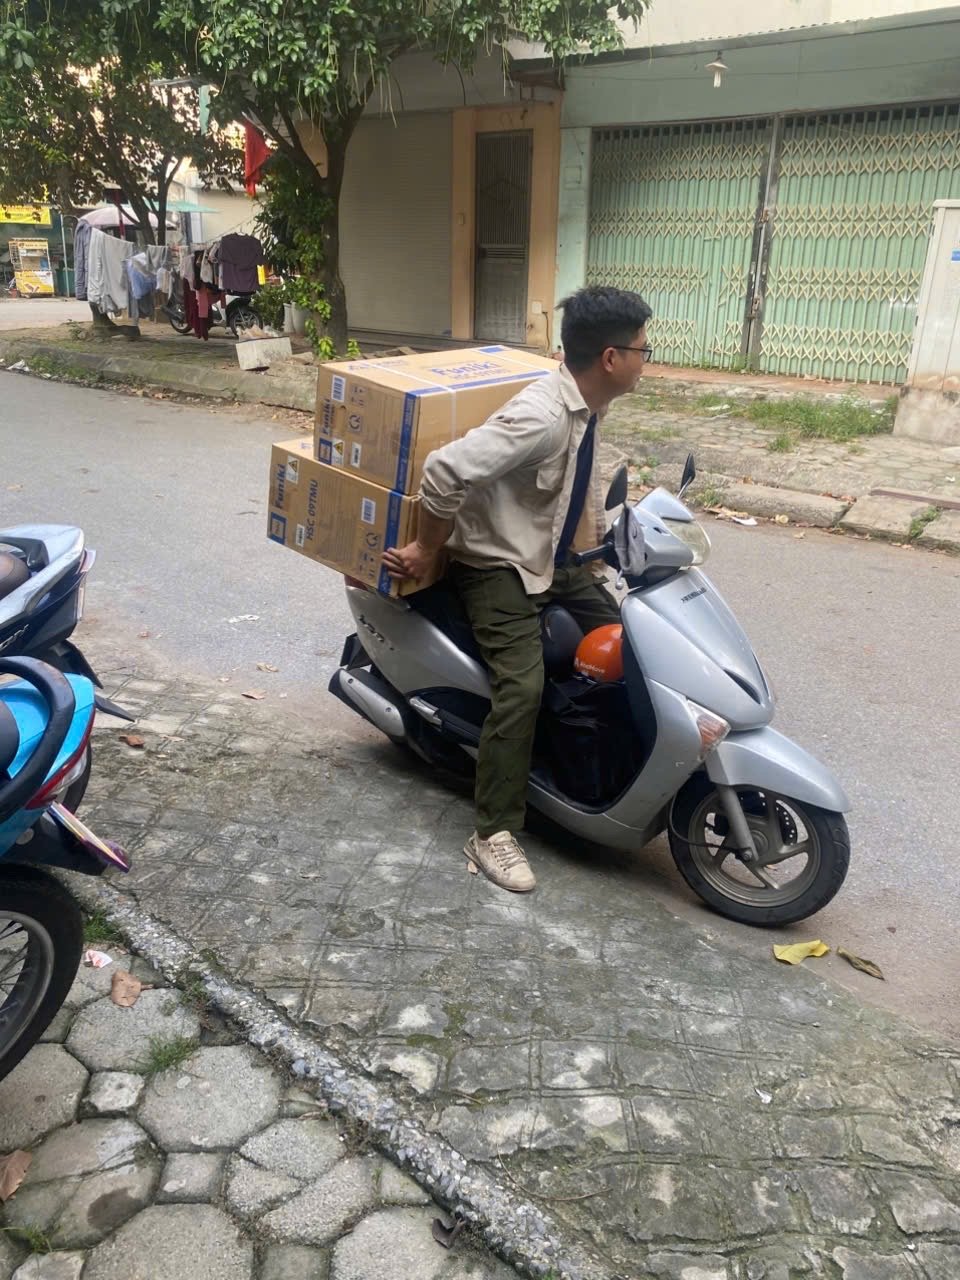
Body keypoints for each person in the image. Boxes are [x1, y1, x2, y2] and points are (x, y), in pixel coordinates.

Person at [382, 285, 653, 893]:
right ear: (611, 358)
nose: (646, 361)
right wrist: (428, 547)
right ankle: (493, 832)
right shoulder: (543, 416)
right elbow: (443, 472)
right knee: (522, 686)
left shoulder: (589, 404)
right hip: (498, 563)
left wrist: (600, 551)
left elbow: (577, 490)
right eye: (642, 350)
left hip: (552, 559)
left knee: (634, 638)